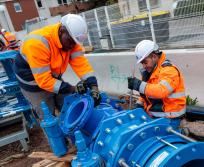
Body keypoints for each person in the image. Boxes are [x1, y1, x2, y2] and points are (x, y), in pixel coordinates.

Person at [14, 14, 100, 120]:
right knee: (47, 116)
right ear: (61, 31)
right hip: (32, 81)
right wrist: (72, 88)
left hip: (51, 76)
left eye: (75, 43)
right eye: (70, 41)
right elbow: (44, 81)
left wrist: (94, 86)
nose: (72, 46)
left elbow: (81, 64)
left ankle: (69, 129)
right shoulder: (37, 43)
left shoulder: (71, 40)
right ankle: (54, 133)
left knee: (68, 103)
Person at [128, 40, 186, 119]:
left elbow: (161, 91)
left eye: (145, 62)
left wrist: (138, 85)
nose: (144, 66)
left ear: (154, 57)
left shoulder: (169, 70)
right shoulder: (150, 72)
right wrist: (139, 104)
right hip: (155, 116)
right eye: (142, 63)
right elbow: (145, 93)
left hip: (170, 118)